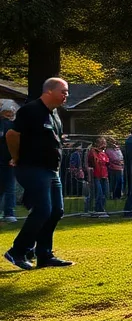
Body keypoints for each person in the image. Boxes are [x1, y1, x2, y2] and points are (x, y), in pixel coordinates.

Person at [3, 78, 73, 269]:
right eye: (63, 91)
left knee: (56, 211)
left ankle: (44, 255)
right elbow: (12, 135)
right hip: (32, 167)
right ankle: (17, 251)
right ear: (49, 91)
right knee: (43, 210)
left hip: (52, 170)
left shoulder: (55, 114)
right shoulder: (31, 110)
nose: (66, 95)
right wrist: (15, 157)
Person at [0, 101, 17, 222]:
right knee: (8, 187)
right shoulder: (10, 125)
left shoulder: (13, 125)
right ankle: (8, 213)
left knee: (10, 187)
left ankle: (9, 212)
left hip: (8, 161)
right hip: (6, 160)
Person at [85, 137, 111, 218]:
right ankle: (97, 210)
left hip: (104, 175)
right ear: (97, 143)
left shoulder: (103, 152)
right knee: (98, 193)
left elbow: (107, 161)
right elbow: (94, 161)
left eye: (105, 142)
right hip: (96, 175)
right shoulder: (92, 151)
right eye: (102, 142)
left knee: (105, 193)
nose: (104, 144)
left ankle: (101, 209)